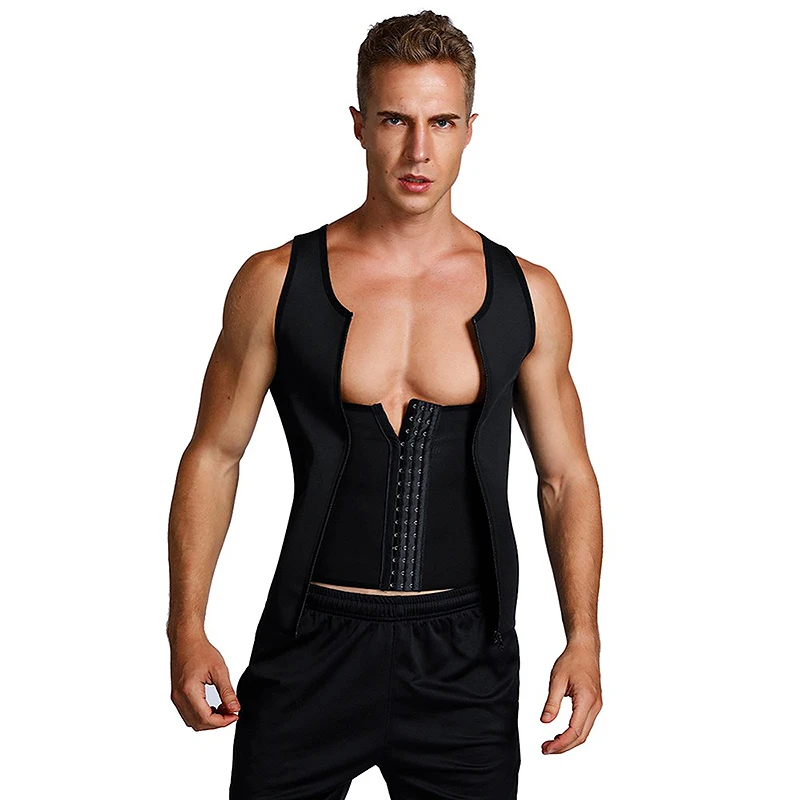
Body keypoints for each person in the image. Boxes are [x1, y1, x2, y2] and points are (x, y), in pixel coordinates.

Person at [167, 10, 603, 799]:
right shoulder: (275, 281)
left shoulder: (528, 294)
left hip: (463, 659)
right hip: (311, 643)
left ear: (470, 130)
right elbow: (215, 454)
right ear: (359, 126)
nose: (418, 151)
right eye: (396, 120)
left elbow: (565, 477)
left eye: (442, 122)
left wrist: (584, 636)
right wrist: (186, 626)